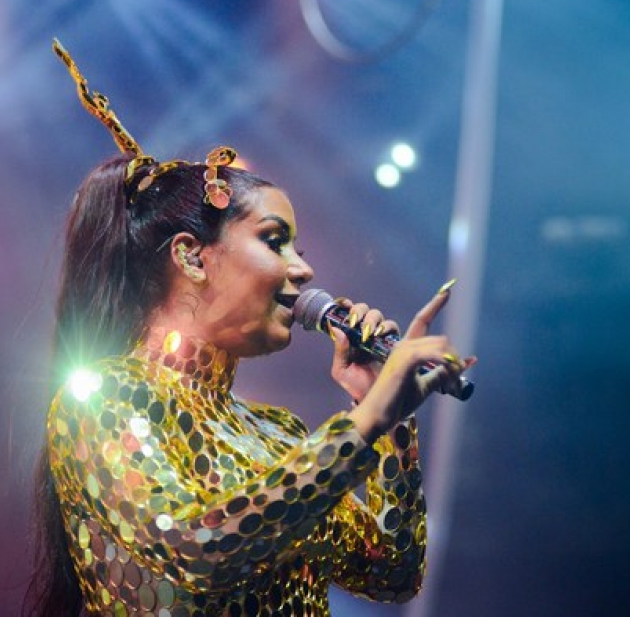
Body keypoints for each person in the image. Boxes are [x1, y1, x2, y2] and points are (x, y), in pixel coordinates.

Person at [26, 41, 475, 617]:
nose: (303, 268)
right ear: (191, 257)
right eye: (274, 240)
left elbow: (393, 574)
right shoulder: (103, 400)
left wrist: (390, 427)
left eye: (298, 247)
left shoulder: (278, 434)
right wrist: (363, 426)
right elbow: (200, 550)